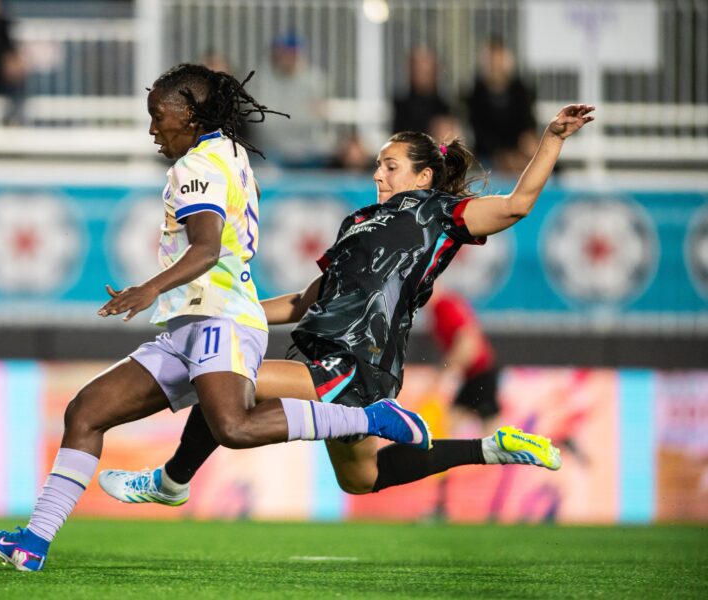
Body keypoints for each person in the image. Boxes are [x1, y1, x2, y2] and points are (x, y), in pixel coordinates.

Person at [0, 64, 433, 573]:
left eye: (160, 116)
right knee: (85, 411)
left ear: (191, 116)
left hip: (218, 320)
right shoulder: (232, 154)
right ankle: (34, 543)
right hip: (192, 324)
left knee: (234, 427)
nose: (154, 128)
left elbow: (206, 247)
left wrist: (147, 289)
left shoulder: (195, 167)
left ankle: (370, 418)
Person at [99, 104, 595, 505]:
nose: (378, 173)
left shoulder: (440, 214)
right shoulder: (356, 222)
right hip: (320, 353)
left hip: (357, 360)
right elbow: (302, 302)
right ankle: (493, 447)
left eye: (391, 165)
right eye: (379, 164)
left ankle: (171, 481)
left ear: (423, 178)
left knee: (228, 382)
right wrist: (228, 310)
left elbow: (516, 204)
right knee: (361, 480)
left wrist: (552, 137)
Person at [423, 286, 501, 519]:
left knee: (489, 440)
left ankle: (445, 505)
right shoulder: (446, 305)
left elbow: (468, 342)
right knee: (450, 435)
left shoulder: (443, 306)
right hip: (478, 375)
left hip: (479, 376)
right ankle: (444, 504)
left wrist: (447, 371)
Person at [249, 32, 331, 168]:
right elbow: (260, 121)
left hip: (310, 151)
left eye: (293, 53)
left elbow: (319, 119)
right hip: (270, 151)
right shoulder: (260, 81)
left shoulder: (315, 80)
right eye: (284, 53)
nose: (288, 58)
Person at [464, 38, 537, 175]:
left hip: (518, 153)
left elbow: (528, 126)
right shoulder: (475, 96)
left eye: (499, 62)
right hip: (488, 157)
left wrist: (522, 150)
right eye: (492, 62)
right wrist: (503, 156)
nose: (495, 67)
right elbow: (479, 134)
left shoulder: (521, 92)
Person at [392, 47, 460, 143]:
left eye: (427, 70)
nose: (424, 74)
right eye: (419, 69)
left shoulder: (444, 108)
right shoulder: (400, 106)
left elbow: (448, 147)